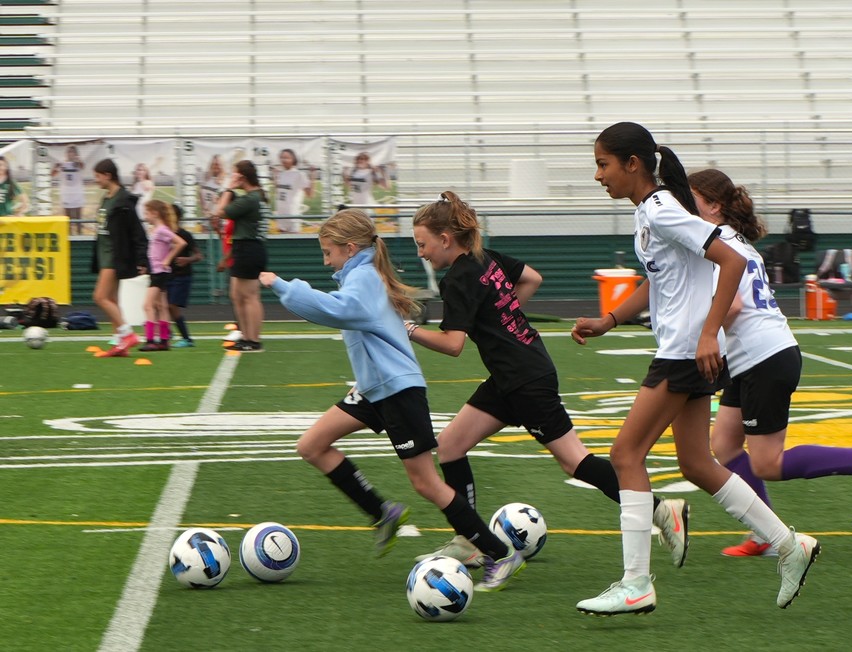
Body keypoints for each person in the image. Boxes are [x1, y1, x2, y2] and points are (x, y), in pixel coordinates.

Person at [571, 122, 819, 616]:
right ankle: (789, 544)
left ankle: (636, 583)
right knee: (698, 464)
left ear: (632, 164)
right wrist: (611, 319)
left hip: (686, 353)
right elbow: (658, 278)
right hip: (689, 351)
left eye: (603, 165)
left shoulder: (661, 209)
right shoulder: (652, 212)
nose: (598, 176)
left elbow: (729, 261)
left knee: (625, 455)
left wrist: (708, 333)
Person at [408, 191, 691, 570]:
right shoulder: (485, 258)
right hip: (513, 374)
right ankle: (469, 540)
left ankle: (661, 511)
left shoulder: (458, 278)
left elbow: (453, 344)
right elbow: (531, 279)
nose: (421, 254)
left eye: (422, 244)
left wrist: (407, 329)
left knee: (575, 462)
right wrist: (503, 314)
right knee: (450, 446)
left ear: (445, 239)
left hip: (525, 379)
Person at [259, 208, 524, 591]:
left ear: (350, 248)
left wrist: (285, 286)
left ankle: (498, 553)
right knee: (312, 445)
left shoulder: (363, 277)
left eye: (328, 251)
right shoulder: (360, 273)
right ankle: (383, 513)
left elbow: (338, 310)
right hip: (372, 389)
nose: (325, 260)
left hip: (397, 390)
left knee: (426, 483)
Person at [687, 168, 852, 558]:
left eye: (692, 198)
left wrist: (702, 336)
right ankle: (766, 532)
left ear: (714, 206)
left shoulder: (714, 240)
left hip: (762, 357)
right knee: (724, 443)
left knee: (767, 462)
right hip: (753, 355)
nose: (684, 206)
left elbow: (732, 306)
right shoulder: (732, 240)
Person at [91, 158, 149, 357]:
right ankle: (120, 344)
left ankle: (127, 334)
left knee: (99, 297)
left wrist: (142, 259)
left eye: (98, 176)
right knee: (112, 299)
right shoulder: (106, 198)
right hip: (104, 253)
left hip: (115, 256)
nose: (96, 180)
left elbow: (137, 232)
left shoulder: (123, 201)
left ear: (108, 175)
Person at [210, 160, 269, 353]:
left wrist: (228, 188)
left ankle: (253, 339)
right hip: (245, 247)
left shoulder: (251, 198)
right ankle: (246, 336)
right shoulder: (256, 197)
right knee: (236, 294)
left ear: (242, 177)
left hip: (249, 247)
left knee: (250, 296)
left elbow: (219, 211)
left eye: (234, 174)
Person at [139, 200, 187, 351]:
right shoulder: (156, 230)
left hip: (159, 273)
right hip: (158, 271)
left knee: (147, 305)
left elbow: (180, 243)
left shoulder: (161, 230)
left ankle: (150, 340)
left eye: (147, 213)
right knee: (162, 306)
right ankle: (164, 340)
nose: (145, 216)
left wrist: (167, 259)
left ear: (155, 213)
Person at [167, 203, 202, 348]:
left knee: (172, 306)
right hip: (167, 275)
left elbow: (199, 255)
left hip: (181, 276)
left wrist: (187, 259)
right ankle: (168, 333)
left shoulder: (184, 235)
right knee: (163, 306)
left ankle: (187, 338)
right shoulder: (163, 233)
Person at [272, 148, 312, 234]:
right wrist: (275, 177)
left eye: (286, 158)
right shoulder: (281, 174)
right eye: (282, 158)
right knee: (281, 241)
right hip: (281, 213)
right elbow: (278, 191)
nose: (283, 160)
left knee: (293, 241)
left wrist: (313, 176)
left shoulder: (299, 174)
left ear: (293, 159)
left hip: (292, 214)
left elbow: (309, 194)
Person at [51, 146, 86, 234]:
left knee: (78, 217)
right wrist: (55, 167)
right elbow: (52, 174)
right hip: (66, 193)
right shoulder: (62, 163)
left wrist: (78, 160)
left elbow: (82, 166)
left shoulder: (77, 163)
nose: (71, 154)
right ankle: (69, 236)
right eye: (69, 152)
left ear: (76, 154)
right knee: (67, 217)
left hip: (77, 192)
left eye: (73, 152)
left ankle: (79, 235)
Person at [199, 155, 228, 221]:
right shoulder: (205, 179)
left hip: (218, 218)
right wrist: (204, 208)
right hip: (206, 216)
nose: (216, 166)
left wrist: (216, 213)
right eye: (214, 164)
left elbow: (226, 200)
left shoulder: (225, 181)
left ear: (222, 166)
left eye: (218, 164)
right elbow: (200, 193)